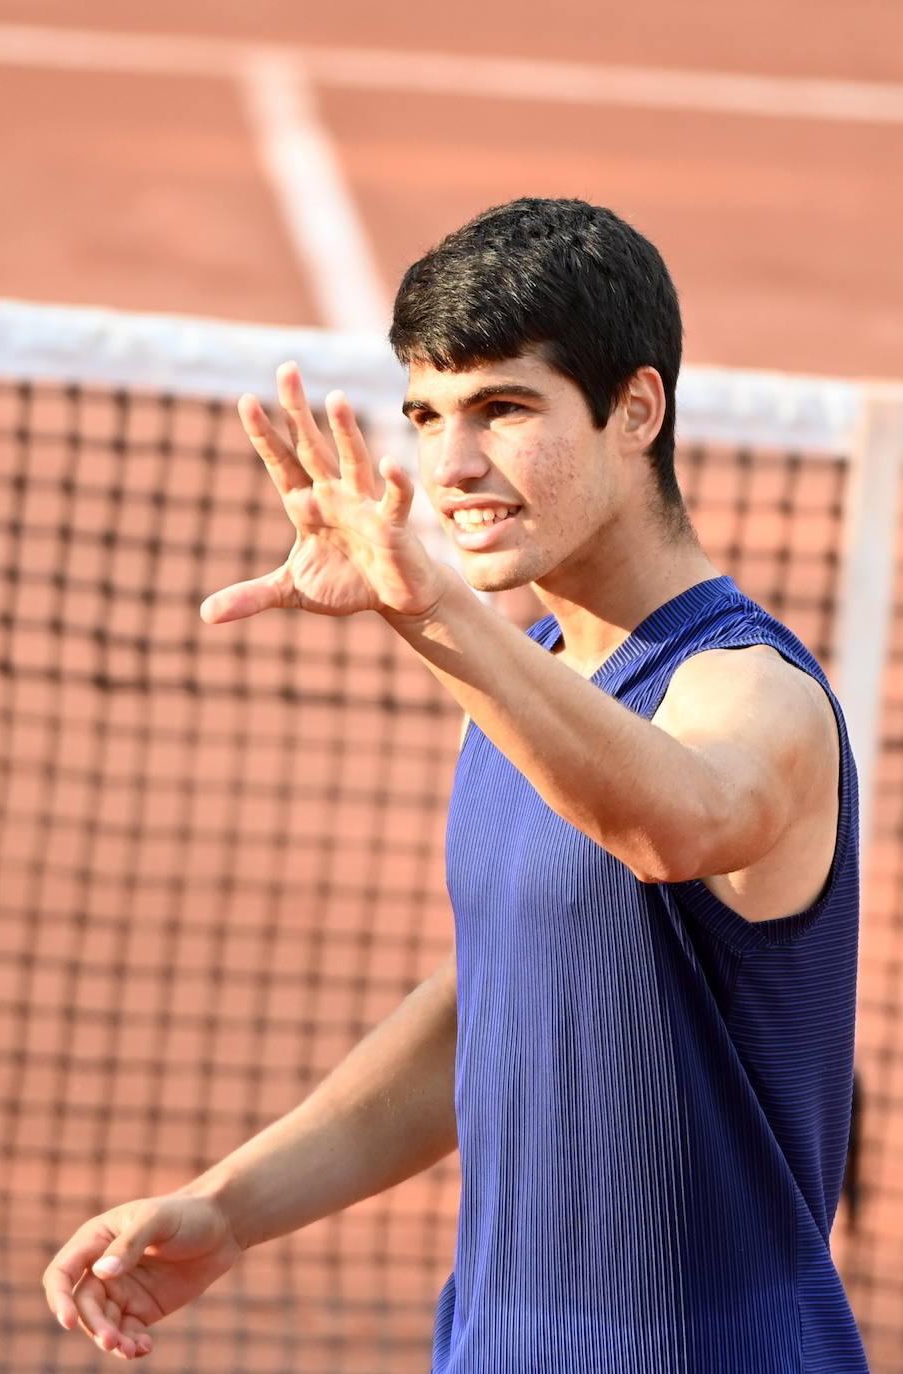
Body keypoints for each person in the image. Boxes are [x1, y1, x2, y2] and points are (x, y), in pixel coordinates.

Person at [42, 198, 868, 1372]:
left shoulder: (752, 689)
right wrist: (229, 1207)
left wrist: (431, 608)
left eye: (503, 409)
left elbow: (672, 823)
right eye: (425, 415)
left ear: (636, 410)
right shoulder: (526, 676)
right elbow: (492, 999)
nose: (451, 465)